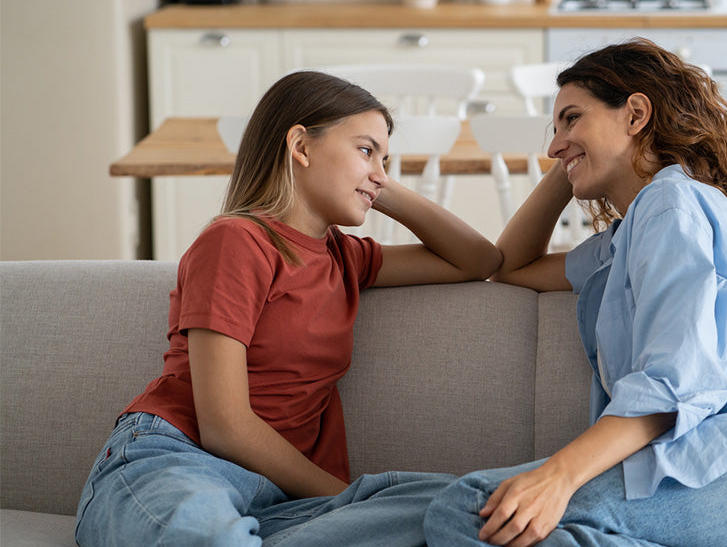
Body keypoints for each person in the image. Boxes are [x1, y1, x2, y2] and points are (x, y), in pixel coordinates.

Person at [423, 38, 727, 547]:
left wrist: (559, 476)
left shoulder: (669, 204)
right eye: (555, 128)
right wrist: (572, 159)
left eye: (571, 118)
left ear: (635, 113)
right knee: (517, 526)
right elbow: (511, 265)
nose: (553, 144)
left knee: (471, 508)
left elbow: (677, 380)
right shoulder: (628, 237)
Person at [75, 70, 502, 547]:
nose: (380, 170)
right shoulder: (237, 241)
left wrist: (377, 183)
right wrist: (352, 499)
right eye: (365, 149)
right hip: (181, 460)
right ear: (301, 146)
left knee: (470, 506)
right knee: (213, 537)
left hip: (284, 502)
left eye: (386, 157)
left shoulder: (345, 257)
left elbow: (480, 260)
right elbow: (225, 428)